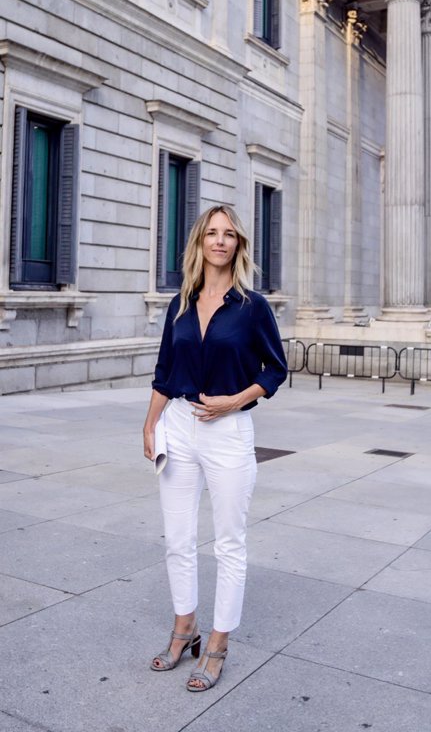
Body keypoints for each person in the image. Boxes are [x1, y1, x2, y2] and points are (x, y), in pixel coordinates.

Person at [143, 204, 287, 692]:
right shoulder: (181, 301)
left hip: (228, 432)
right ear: (199, 242)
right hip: (179, 425)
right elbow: (165, 369)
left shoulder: (252, 306)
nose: (220, 241)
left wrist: (235, 401)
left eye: (229, 234)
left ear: (239, 244)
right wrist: (150, 423)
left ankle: (219, 642)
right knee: (178, 538)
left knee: (229, 541)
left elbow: (275, 370)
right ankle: (185, 628)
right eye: (212, 233)